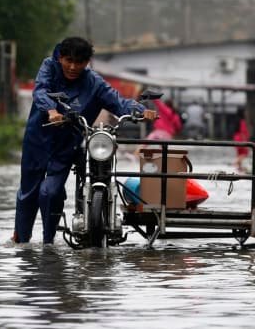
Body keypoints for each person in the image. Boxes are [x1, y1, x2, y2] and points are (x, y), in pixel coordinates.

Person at [12, 37, 157, 244]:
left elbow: (117, 101)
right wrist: (52, 111)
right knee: (29, 192)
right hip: (38, 139)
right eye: (68, 60)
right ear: (60, 57)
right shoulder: (49, 67)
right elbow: (41, 90)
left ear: (87, 62)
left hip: (67, 143)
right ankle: (21, 240)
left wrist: (142, 111)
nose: (72, 67)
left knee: (50, 191)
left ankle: (48, 242)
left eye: (79, 62)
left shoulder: (93, 82)